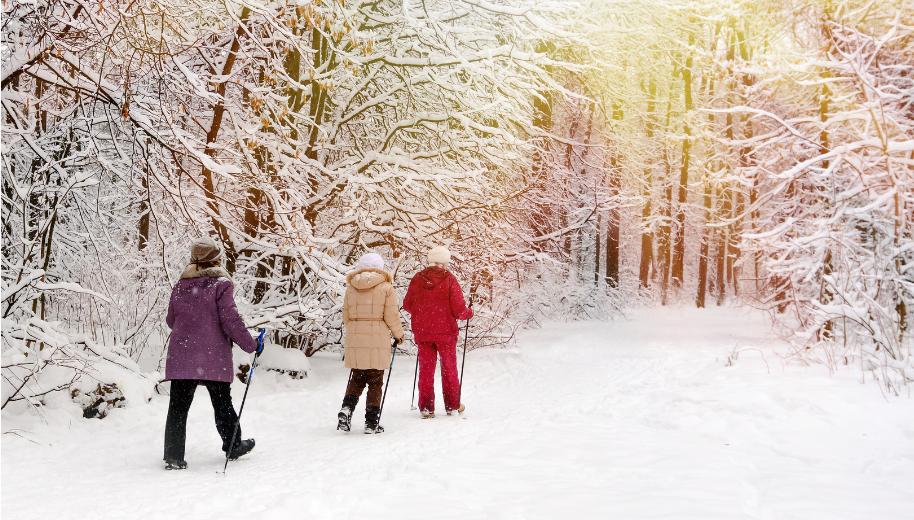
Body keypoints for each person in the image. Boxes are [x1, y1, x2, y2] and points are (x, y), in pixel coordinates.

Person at [162, 237, 261, 470]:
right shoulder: (221, 285)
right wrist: (252, 345)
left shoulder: (180, 286)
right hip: (212, 356)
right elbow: (231, 321)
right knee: (222, 403)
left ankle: (173, 456)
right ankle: (233, 445)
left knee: (177, 407)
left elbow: (170, 320)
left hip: (182, 357)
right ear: (215, 261)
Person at [338, 253, 405, 434]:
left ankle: (347, 408)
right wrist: (398, 335)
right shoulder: (386, 288)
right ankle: (371, 423)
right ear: (380, 267)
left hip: (355, 337)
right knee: (375, 381)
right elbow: (391, 316)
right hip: (378, 338)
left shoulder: (351, 288)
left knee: (357, 377)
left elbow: (346, 317)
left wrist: (356, 331)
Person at [403, 246, 473, 419]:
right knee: (449, 368)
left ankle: (426, 408)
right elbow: (458, 309)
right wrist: (468, 312)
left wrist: (424, 313)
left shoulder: (417, 279)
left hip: (423, 332)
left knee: (426, 370)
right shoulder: (449, 279)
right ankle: (452, 406)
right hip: (446, 332)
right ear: (445, 262)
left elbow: (407, 305)